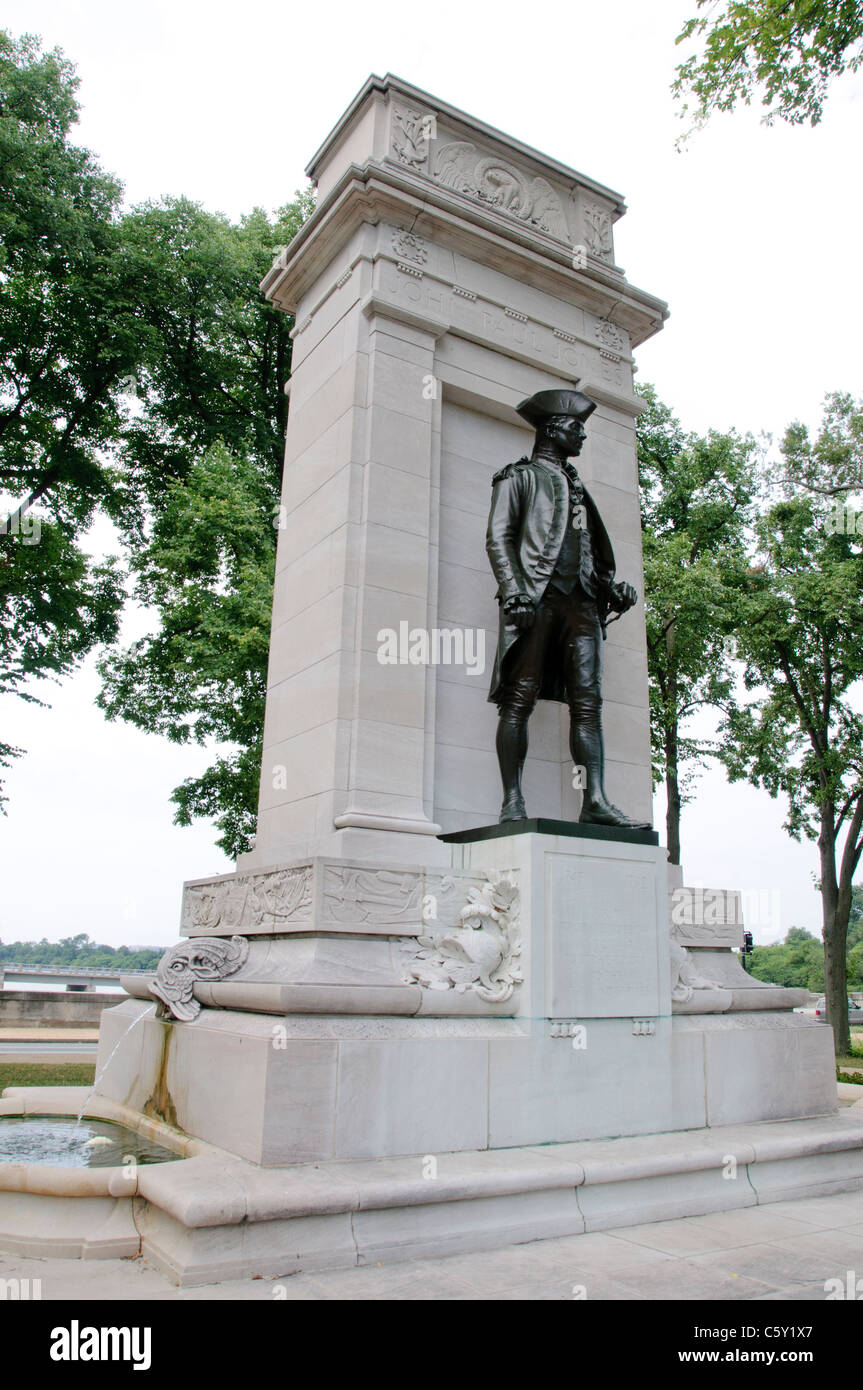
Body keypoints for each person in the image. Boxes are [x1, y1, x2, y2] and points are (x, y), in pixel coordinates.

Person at [486, 387, 650, 828]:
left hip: (583, 607)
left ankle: (594, 799)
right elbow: (498, 538)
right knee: (517, 701)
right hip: (536, 600)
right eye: (577, 428)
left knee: (589, 704)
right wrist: (515, 588)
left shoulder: (579, 487)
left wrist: (609, 589)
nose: (582, 436)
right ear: (554, 429)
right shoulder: (517, 477)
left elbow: (588, 548)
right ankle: (512, 801)